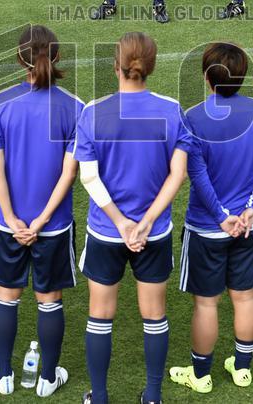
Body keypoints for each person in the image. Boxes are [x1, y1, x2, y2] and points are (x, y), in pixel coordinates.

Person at [75, 32, 191, 404]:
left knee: (100, 315)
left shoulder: (92, 112)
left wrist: (121, 223)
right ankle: (153, 395)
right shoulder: (172, 110)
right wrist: (146, 222)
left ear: (116, 66)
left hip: (106, 232)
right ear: (151, 67)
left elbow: (88, 177)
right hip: (153, 234)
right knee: (154, 316)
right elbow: (178, 174)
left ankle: (100, 397)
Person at [169, 42, 253, 393]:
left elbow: (197, 173)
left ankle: (201, 376)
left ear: (207, 77)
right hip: (249, 226)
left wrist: (221, 216)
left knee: (206, 303)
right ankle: (242, 369)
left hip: (208, 228)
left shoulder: (193, 117)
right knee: (245, 296)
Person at [0, 25, 80, 396]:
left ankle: (5, 376)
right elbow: (69, 174)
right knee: (49, 299)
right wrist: (41, 220)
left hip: (8, 224)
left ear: (19, 59)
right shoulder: (74, 107)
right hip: (52, 225)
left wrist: (12, 220)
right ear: (57, 56)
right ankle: (48, 378)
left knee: (6, 295)